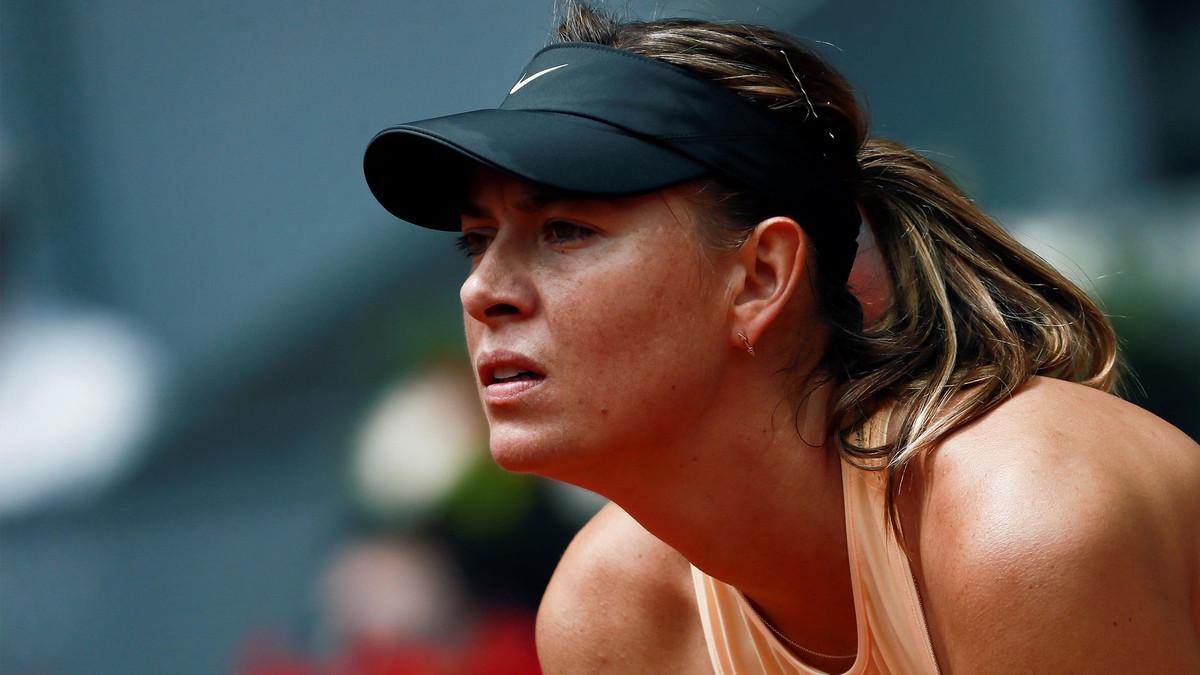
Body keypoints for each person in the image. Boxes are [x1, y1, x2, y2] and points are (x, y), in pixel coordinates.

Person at [362, 3, 1200, 673]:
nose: (482, 291)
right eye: (477, 241)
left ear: (761, 276)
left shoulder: (1028, 523)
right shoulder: (611, 610)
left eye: (567, 230)